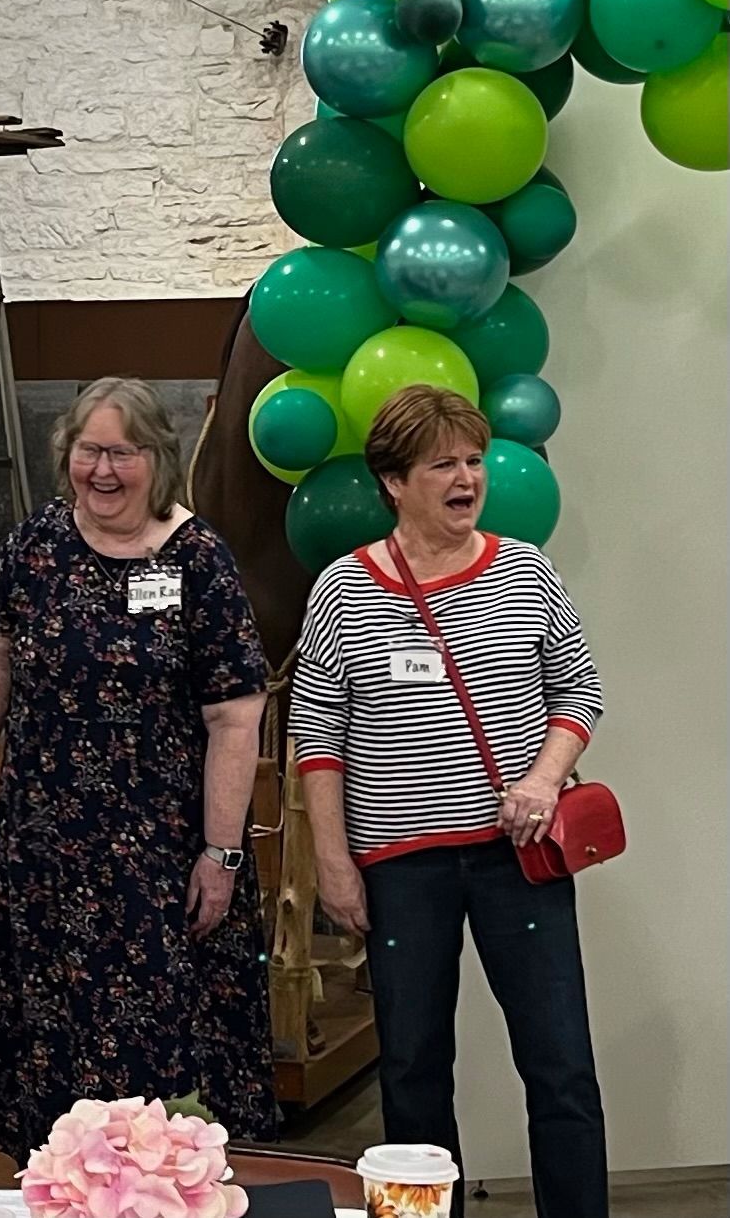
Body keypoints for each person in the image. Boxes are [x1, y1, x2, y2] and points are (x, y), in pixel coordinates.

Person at [0, 376, 278, 1159]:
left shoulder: (199, 561)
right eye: (88, 450)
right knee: (51, 1067)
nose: (102, 470)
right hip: (46, 859)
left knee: (154, 1080)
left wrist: (221, 854)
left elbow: (235, 717)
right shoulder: (35, 546)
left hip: (161, 867)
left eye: (120, 452)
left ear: (155, 458)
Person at [289, 385, 606, 1218]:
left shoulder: (524, 570)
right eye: (443, 464)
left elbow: (579, 690)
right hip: (400, 868)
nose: (467, 478)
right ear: (394, 482)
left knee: (560, 1065)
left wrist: (543, 778)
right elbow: (314, 734)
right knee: (412, 1074)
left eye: (473, 460)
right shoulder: (340, 588)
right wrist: (332, 862)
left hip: (517, 863)